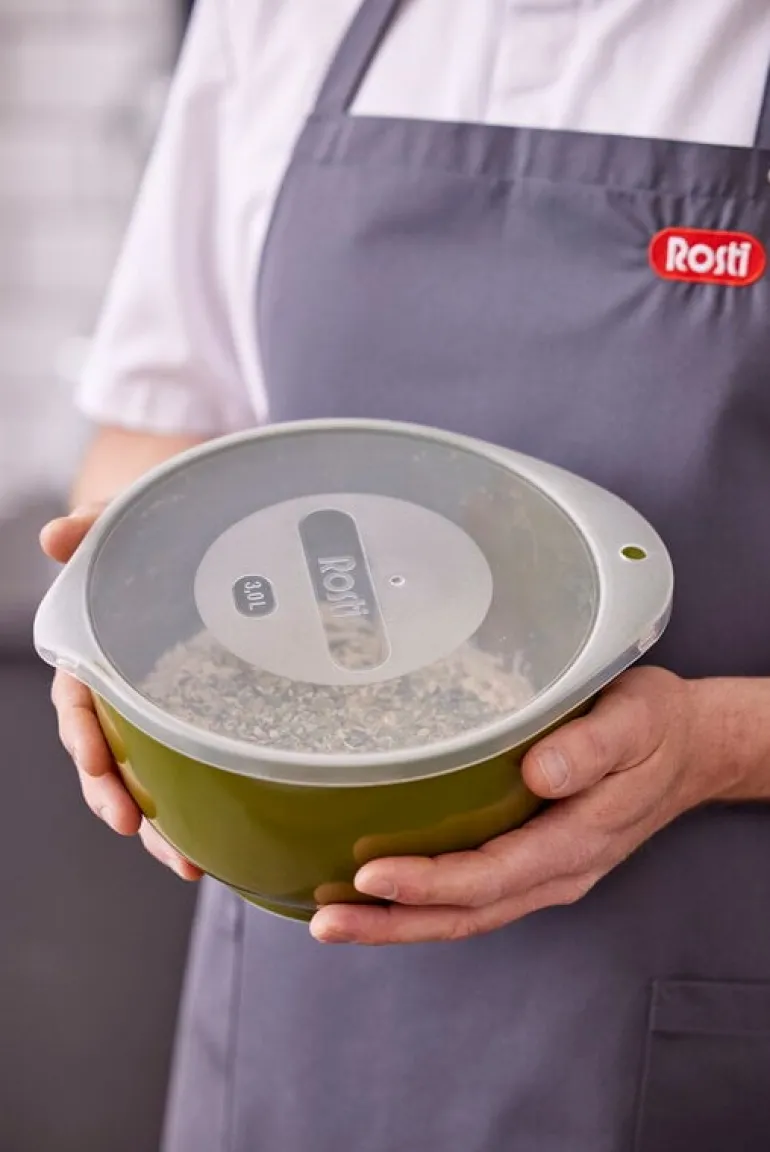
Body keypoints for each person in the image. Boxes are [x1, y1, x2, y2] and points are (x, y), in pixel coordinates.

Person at [40, 2, 770, 1149]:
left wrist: (714, 743)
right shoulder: (280, 17)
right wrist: (120, 627)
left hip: (666, 1012)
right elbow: (154, 436)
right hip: (292, 1013)